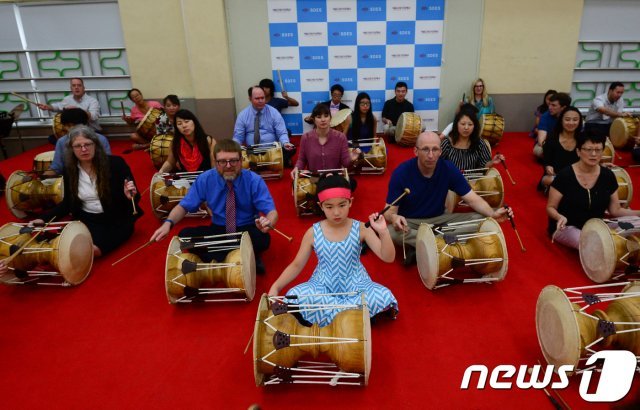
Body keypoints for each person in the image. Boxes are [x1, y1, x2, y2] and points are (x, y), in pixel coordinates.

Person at [268, 175, 398, 326]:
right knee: (294, 295)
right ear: (321, 205)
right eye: (329, 207)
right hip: (322, 285)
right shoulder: (313, 232)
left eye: (342, 205)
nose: (336, 212)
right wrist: (276, 287)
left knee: (382, 295)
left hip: (357, 284)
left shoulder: (362, 228)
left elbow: (388, 257)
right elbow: (297, 265)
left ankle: (330, 316)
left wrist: (383, 232)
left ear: (351, 202)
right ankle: (351, 317)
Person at [150, 139, 278, 273]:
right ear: (216, 163)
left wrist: (268, 222)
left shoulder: (254, 180)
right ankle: (244, 256)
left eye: (233, 160)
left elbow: (272, 212)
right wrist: (168, 223)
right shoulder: (205, 179)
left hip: (246, 229)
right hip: (219, 228)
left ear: (241, 161)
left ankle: (221, 257)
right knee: (185, 236)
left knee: (263, 239)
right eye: (222, 161)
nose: (228, 166)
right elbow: (184, 206)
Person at [384, 131, 512, 265]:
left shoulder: (448, 169)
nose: (431, 155)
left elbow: (472, 199)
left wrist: (493, 213)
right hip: (411, 222)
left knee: (483, 219)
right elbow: (388, 212)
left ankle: (423, 245)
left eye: (435, 149)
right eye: (425, 149)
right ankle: (440, 243)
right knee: (391, 232)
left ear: (440, 151)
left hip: (441, 219)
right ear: (415, 151)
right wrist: (394, 218)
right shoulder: (401, 173)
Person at [37, 125, 141, 257]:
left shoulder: (116, 164)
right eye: (78, 146)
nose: (84, 149)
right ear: (71, 149)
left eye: (88, 144)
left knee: (92, 251)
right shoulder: (70, 171)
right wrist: (43, 219)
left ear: (95, 145)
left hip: (116, 220)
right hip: (87, 220)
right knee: (54, 244)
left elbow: (135, 200)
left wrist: (129, 196)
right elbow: (68, 203)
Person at [547, 133, 640, 249]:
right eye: (589, 149)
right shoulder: (564, 175)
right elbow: (551, 207)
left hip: (598, 226)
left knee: (638, 223)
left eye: (598, 150)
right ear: (578, 152)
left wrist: (638, 213)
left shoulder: (608, 175)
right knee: (594, 244)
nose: (594, 154)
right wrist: (559, 217)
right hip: (568, 226)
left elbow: (615, 210)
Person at [233, 86, 295, 167]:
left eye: (262, 98)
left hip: (272, 150)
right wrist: (235, 148)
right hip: (252, 151)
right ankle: (278, 162)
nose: (261, 101)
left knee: (291, 148)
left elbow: (282, 132)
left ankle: (265, 163)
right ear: (250, 99)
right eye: (257, 98)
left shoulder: (274, 112)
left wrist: (285, 143)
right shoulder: (243, 115)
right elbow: (238, 137)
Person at [292, 104, 359, 177]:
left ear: (330, 118)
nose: (323, 120)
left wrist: (352, 159)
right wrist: (297, 168)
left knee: (351, 183)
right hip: (314, 179)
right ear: (314, 120)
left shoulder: (341, 137)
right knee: (295, 185)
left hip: (334, 179)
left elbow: (346, 164)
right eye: (319, 117)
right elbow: (301, 160)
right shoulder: (306, 138)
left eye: (326, 116)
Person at [44, 108, 111, 176]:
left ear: (85, 124)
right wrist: (43, 178)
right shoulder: (62, 141)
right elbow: (57, 166)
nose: (72, 128)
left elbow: (108, 162)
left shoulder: (100, 139)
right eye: (68, 126)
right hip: (73, 177)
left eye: (75, 125)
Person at [440, 110, 504, 171]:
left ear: (474, 126)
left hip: (473, 180)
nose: (466, 128)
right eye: (463, 124)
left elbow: (483, 165)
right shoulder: (447, 143)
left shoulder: (479, 143)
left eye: (470, 124)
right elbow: (438, 164)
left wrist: (492, 162)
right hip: (451, 180)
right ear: (456, 125)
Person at [37, 77, 101, 135]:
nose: (76, 87)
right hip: (73, 131)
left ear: (84, 88)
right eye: (74, 85)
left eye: (79, 85)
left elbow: (93, 116)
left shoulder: (92, 101)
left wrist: (78, 110)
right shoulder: (67, 99)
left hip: (91, 131)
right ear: (71, 88)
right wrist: (47, 107)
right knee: (52, 138)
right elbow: (58, 106)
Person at [158, 109, 215, 173]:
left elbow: (214, 164)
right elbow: (170, 162)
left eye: (187, 121)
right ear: (176, 128)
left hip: (204, 179)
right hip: (185, 180)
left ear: (194, 122)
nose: (184, 126)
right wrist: (161, 171)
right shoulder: (175, 143)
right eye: (179, 124)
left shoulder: (208, 140)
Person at [540, 106, 582, 190]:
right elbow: (547, 162)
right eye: (567, 119)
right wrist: (548, 167)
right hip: (557, 177)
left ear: (580, 121)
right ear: (561, 121)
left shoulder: (583, 139)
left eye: (575, 120)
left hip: (578, 176)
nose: (571, 123)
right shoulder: (552, 139)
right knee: (548, 180)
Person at [534, 92, 571, 159]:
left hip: (569, 143)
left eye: (553, 105)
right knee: (538, 151)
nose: (549, 107)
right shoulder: (545, 116)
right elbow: (541, 141)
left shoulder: (572, 115)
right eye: (549, 105)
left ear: (563, 107)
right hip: (550, 143)